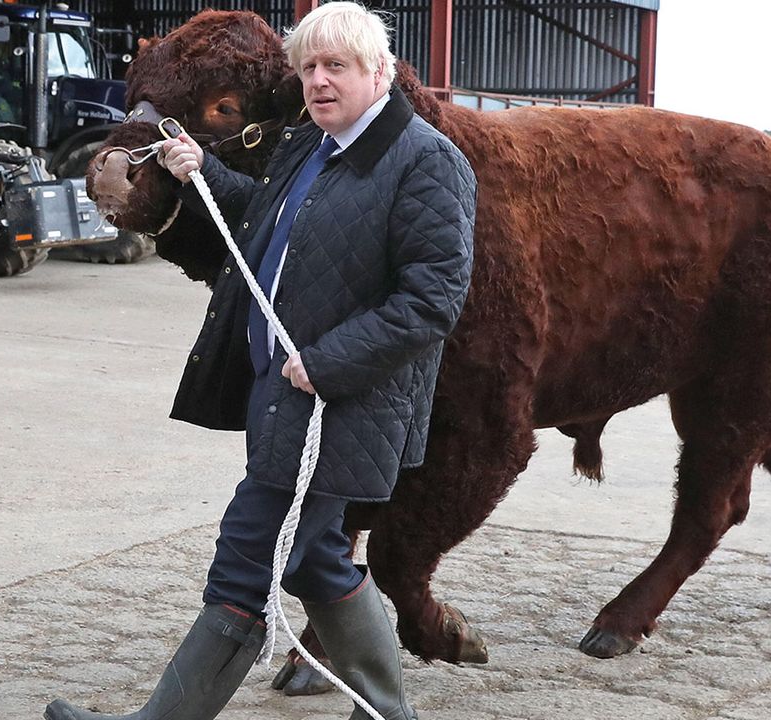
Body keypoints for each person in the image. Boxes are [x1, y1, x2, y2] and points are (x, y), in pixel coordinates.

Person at [45, 3, 475, 719]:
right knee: (313, 557)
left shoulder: (427, 162)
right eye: (308, 68)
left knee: (246, 558)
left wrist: (328, 362)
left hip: (342, 406)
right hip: (286, 396)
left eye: (336, 66)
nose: (319, 82)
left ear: (377, 71)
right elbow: (265, 220)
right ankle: (389, 712)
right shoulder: (315, 145)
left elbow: (432, 301)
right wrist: (200, 171)